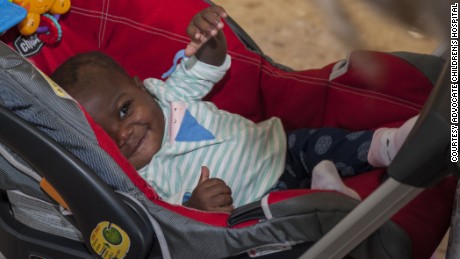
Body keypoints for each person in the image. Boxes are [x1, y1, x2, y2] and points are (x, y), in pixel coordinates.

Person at [51, 5, 417, 213]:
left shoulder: (168, 94)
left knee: (322, 143)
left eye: (123, 111)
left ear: (138, 85)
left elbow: (210, 66)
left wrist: (208, 38)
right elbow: (171, 220)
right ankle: (329, 201)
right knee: (282, 221)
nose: (124, 133)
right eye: (106, 137)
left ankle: (388, 144)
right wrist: (196, 206)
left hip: (279, 150)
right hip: (256, 204)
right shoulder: (142, 181)